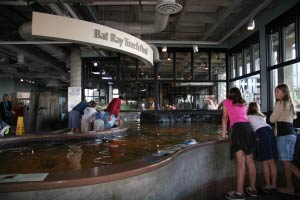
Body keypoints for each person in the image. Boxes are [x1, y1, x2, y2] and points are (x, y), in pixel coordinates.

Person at [222, 87, 257, 200]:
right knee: (250, 161)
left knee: (241, 163)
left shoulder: (226, 102)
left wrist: (224, 135)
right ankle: (252, 189)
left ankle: (239, 192)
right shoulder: (243, 103)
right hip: (249, 129)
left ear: (229, 94)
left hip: (238, 130)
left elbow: (224, 118)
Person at [269, 83, 299, 195]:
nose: (275, 93)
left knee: (285, 163)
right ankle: (290, 186)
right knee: (288, 162)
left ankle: (290, 188)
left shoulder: (280, 103)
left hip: (284, 135)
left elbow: (272, 119)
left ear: (284, 93)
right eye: (275, 91)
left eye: (278, 91)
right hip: (292, 134)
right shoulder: (290, 104)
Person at [247, 102, 277, 193]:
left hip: (262, 134)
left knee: (265, 162)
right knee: (271, 161)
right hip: (270, 132)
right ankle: (274, 185)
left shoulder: (248, 117)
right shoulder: (262, 116)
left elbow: (249, 129)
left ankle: (268, 186)